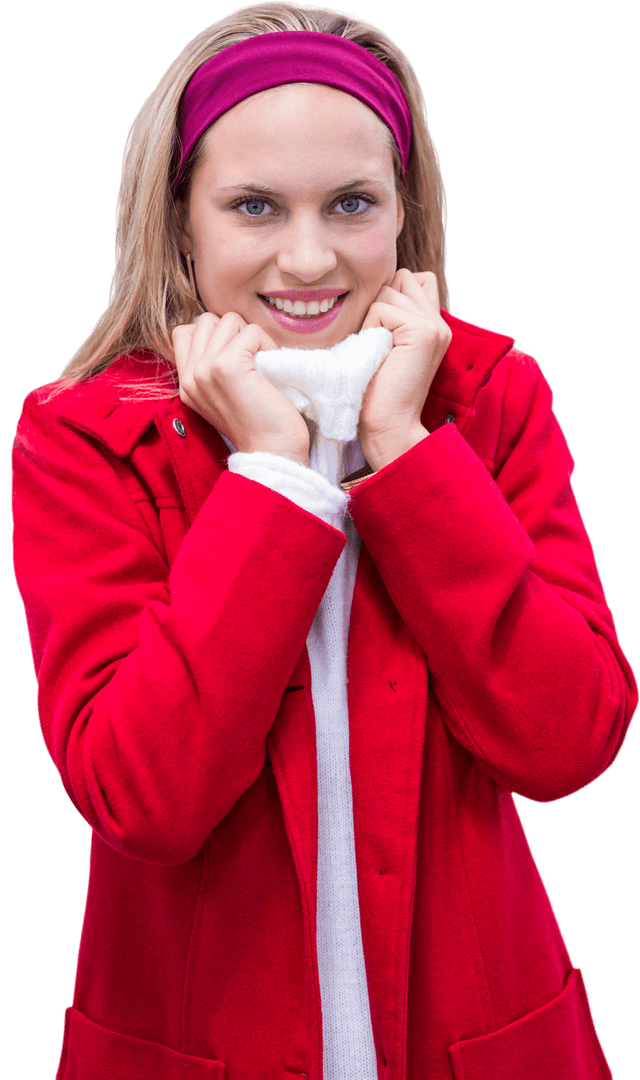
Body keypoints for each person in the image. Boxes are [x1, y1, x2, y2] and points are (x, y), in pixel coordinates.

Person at [11, 3, 637, 1079]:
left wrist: (402, 447)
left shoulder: (491, 399)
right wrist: (273, 473)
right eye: (254, 206)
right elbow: (141, 798)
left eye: (351, 203)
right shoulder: (85, 436)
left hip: (482, 1039)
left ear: (403, 212)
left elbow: (568, 741)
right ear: (182, 222)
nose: (309, 258)